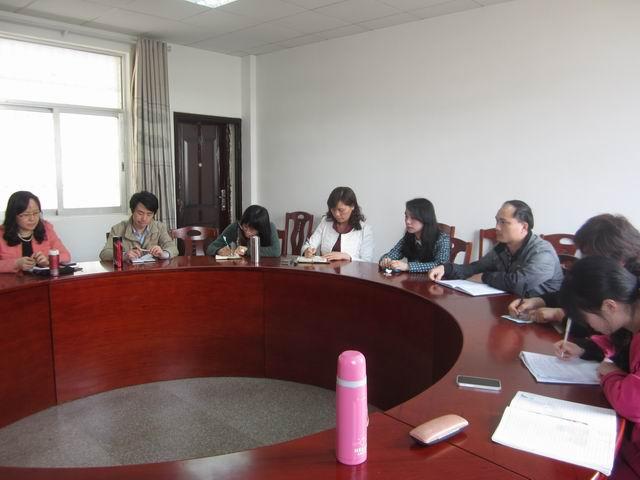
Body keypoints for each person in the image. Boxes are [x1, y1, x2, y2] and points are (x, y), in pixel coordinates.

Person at [555, 256, 640, 479]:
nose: (588, 325)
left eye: (587, 319)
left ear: (609, 306)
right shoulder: (631, 314)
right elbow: (619, 343)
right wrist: (583, 348)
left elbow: (633, 404)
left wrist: (610, 375)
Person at [509, 214, 640, 322]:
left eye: (589, 256)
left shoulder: (631, 286)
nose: (585, 262)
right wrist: (539, 301)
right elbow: (578, 295)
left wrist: (561, 315)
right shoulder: (606, 270)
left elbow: (607, 327)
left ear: (619, 259)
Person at [428, 200, 563, 296]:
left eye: (503, 222)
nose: (497, 227)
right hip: (511, 305)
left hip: (540, 315)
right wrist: (446, 268)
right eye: (497, 221)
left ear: (524, 227)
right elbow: (476, 267)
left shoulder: (543, 252)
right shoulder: (502, 247)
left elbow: (518, 283)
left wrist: (485, 277)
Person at [0, 191, 71, 273]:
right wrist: (16, 264)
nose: (32, 219)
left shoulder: (46, 229)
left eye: (36, 213)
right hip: (12, 281)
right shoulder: (1, 234)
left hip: (41, 280)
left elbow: (66, 255)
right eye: (26, 214)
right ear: (13, 215)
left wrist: (48, 259)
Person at [100, 191, 178, 262]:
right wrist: (124, 255)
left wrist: (163, 254)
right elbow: (104, 253)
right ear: (132, 211)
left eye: (149, 214)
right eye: (140, 213)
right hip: (129, 271)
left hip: (152, 271)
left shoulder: (160, 227)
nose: (144, 218)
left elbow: (173, 248)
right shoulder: (118, 229)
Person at [302, 186, 374, 262]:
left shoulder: (365, 229)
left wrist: (348, 257)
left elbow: (367, 261)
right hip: (326, 268)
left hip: (351, 270)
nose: (337, 214)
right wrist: (307, 251)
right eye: (333, 209)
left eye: (341, 210)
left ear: (352, 206)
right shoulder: (325, 222)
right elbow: (309, 245)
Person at [379, 198, 450, 273]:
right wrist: (386, 260)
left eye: (413, 217)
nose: (407, 221)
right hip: (411, 279)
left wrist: (408, 266)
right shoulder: (409, 236)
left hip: (433, 279)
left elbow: (441, 265)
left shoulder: (443, 239)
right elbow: (393, 254)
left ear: (426, 218)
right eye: (406, 216)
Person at [206, 205, 280, 257]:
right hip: (242, 268)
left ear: (261, 229)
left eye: (252, 230)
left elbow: (276, 251)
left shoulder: (270, 227)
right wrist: (218, 250)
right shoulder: (236, 227)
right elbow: (211, 248)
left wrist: (246, 250)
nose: (247, 232)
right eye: (245, 227)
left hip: (265, 268)